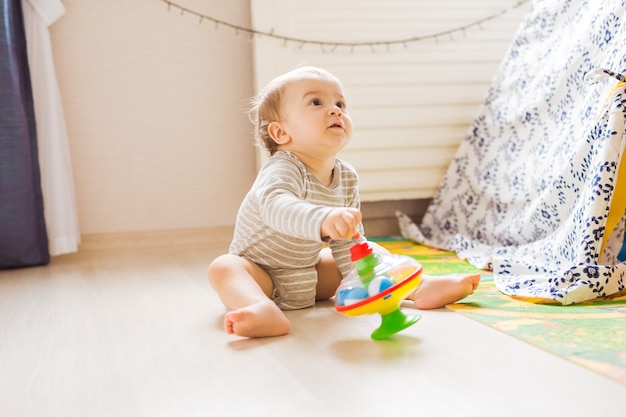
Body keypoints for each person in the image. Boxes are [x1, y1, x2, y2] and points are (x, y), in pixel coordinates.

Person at [208, 66, 480, 338]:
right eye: (316, 102)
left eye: (340, 104)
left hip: (310, 274)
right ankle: (258, 308)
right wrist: (323, 218)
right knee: (224, 267)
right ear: (280, 133)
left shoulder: (346, 175)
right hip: (261, 274)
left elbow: (347, 241)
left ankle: (418, 288)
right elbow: (275, 207)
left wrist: (358, 268)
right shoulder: (283, 168)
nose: (336, 110)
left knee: (366, 249)